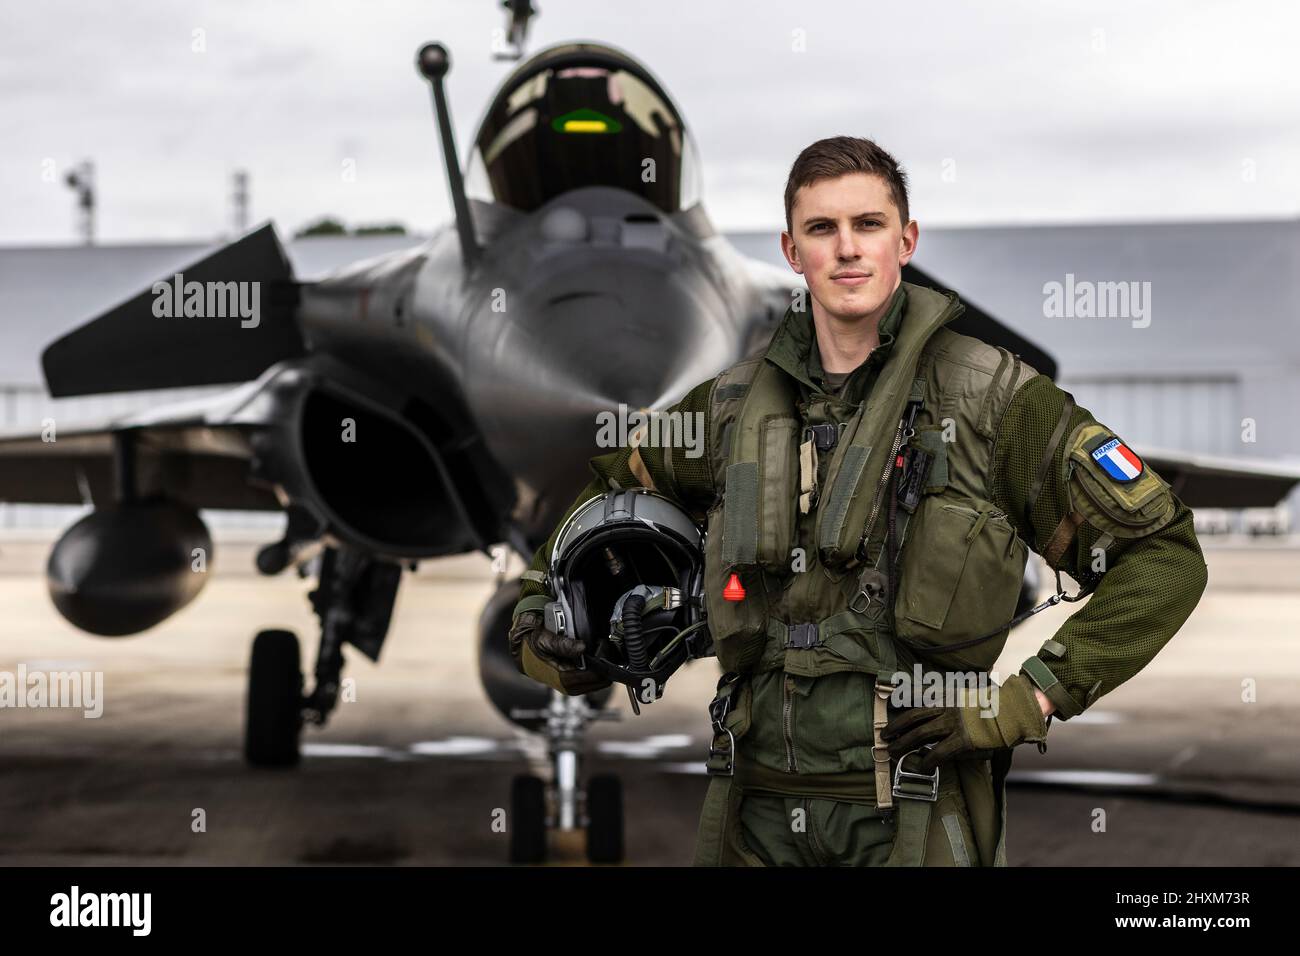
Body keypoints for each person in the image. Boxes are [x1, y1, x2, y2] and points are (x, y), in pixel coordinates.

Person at [508, 135, 1208, 866]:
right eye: (822, 229)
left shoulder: (996, 401)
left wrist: (1029, 698)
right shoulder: (726, 409)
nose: (847, 249)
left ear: (905, 240)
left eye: (868, 225)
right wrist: (542, 621)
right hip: (755, 821)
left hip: (916, 816)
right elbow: (604, 498)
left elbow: (1163, 556)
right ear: (791, 249)